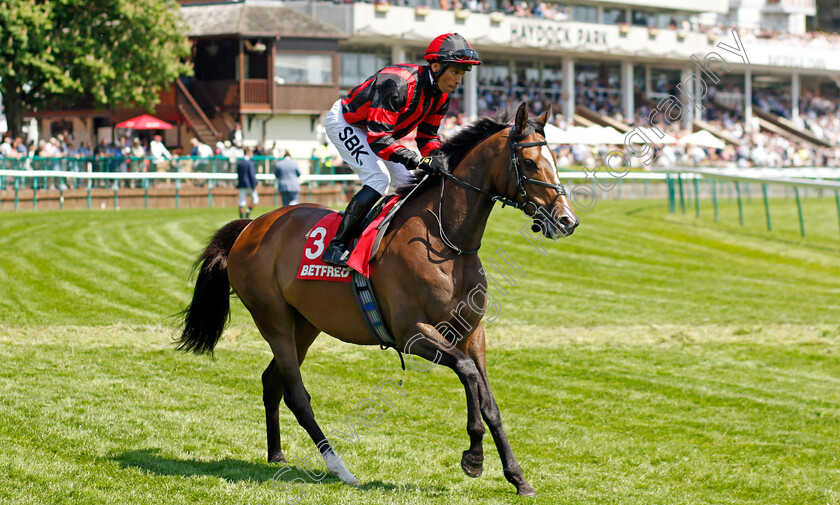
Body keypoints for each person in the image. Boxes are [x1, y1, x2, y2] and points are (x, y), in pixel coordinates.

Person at [320, 33, 481, 267]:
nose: (459, 81)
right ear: (436, 66)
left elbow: (428, 137)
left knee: (412, 184)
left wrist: (439, 160)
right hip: (347, 123)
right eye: (455, 72)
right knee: (378, 179)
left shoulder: (441, 96)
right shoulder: (397, 83)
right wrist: (418, 161)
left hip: (380, 133)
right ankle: (337, 246)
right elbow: (377, 139)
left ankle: (391, 241)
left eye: (463, 74)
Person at [236, 146, 259, 218]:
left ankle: (241, 216)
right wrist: (254, 184)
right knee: (255, 200)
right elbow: (252, 175)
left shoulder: (240, 163)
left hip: (241, 184)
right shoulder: (250, 163)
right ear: (247, 152)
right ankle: (247, 213)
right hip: (250, 185)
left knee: (241, 201)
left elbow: (238, 175)